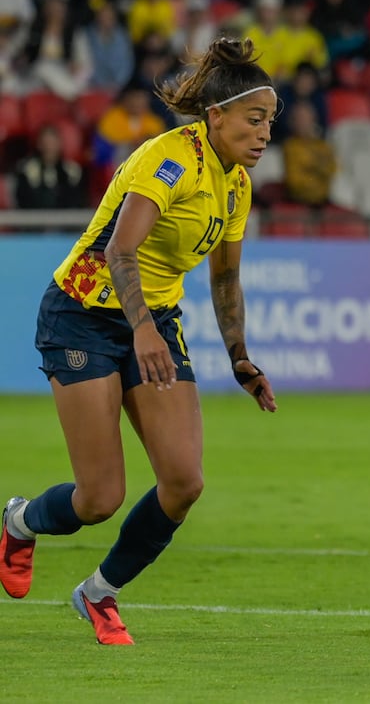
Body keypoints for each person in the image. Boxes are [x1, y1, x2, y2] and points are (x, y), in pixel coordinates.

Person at [0, 38, 279, 645]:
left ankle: (100, 592)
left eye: (270, 123)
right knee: (99, 497)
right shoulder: (169, 160)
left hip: (152, 322)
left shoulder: (236, 185)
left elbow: (225, 276)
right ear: (216, 116)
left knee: (185, 482)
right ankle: (19, 521)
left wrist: (239, 356)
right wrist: (145, 330)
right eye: (254, 120)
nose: (263, 135)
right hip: (82, 313)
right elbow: (119, 250)